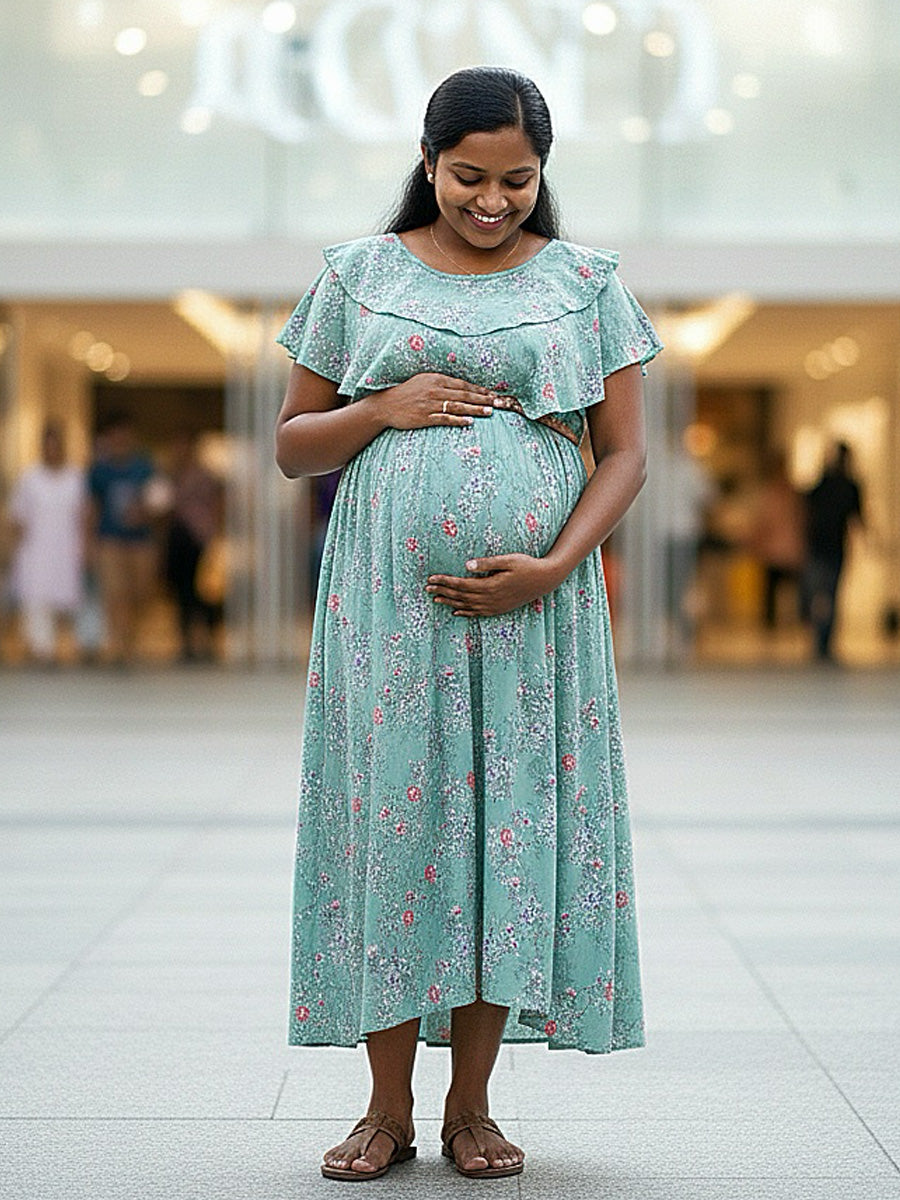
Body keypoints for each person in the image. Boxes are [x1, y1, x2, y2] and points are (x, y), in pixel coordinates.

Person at [274, 66, 663, 1183]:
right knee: (396, 828)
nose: (492, 201)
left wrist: (554, 567)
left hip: (533, 616)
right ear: (429, 161)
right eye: (468, 177)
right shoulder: (358, 275)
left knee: (506, 831)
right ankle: (384, 1109)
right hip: (388, 616)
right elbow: (293, 443)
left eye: (517, 180)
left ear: (542, 174)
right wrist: (380, 408)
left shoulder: (585, 282)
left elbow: (626, 452)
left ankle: (472, 1108)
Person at [7, 422, 88, 665]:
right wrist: (11, 550)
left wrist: (86, 546)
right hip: (35, 550)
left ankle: (67, 646)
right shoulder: (29, 478)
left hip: (66, 548)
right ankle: (42, 650)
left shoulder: (76, 477)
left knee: (64, 600)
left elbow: (85, 515)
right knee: (37, 599)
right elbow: (17, 517)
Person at [87, 413, 157, 666]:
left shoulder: (144, 467)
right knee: (116, 593)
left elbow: (158, 499)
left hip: (140, 541)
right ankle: (119, 645)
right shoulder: (99, 471)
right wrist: (89, 542)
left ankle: (131, 639)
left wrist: (144, 512)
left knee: (139, 594)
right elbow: (92, 508)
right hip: (110, 540)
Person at [163, 431, 224, 662]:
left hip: (199, 537)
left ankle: (208, 641)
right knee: (182, 593)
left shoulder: (204, 476)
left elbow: (217, 504)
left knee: (204, 592)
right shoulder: (171, 475)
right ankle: (187, 642)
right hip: (178, 538)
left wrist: (215, 533)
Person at [803, 440, 863, 661]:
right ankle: (822, 640)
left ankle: (823, 640)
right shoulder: (839, 485)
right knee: (826, 593)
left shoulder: (828, 484)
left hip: (824, 546)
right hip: (826, 547)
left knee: (822, 593)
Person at [747, 450, 806, 630]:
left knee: (780, 590)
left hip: (782, 549)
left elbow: (765, 521)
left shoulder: (784, 494)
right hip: (784, 548)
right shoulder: (788, 493)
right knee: (776, 591)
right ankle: (782, 623)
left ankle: (788, 622)